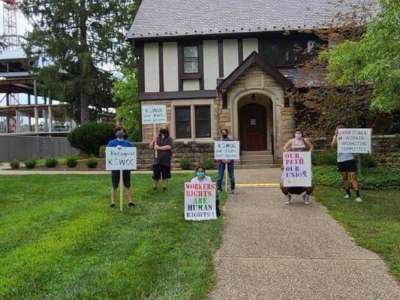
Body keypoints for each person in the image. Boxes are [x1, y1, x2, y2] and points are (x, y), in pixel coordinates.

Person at [331, 123, 363, 202]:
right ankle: (348, 194)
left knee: (353, 178)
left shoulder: (350, 137)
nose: (339, 130)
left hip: (350, 159)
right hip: (340, 161)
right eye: (337, 129)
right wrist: (335, 136)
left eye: (341, 129)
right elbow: (333, 146)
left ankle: (358, 196)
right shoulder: (336, 137)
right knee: (345, 178)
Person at [282, 129, 314, 205]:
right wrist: (288, 153)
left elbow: (311, 146)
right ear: (294, 134)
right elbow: (284, 147)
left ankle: (306, 195)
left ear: (302, 134)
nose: (298, 134)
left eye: (299, 133)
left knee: (308, 179)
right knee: (287, 179)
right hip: (294, 161)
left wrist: (309, 153)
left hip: (303, 161)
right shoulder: (292, 140)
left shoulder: (305, 140)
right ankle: (288, 196)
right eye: (296, 133)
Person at [107, 127, 135, 208]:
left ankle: (130, 201)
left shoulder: (128, 143)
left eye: (121, 131)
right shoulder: (111, 142)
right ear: (116, 133)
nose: (120, 132)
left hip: (126, 167)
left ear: (124, 133)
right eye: (118, 131)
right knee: (114, 185)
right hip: (115, 167)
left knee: (127, 185)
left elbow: (132, 153)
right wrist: (115, 149)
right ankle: (112, 202)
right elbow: (108, 152)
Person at [150, 127, 173, 192]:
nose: (162, 132)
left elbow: (169, 147)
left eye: (164, 130)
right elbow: (150, 146)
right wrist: (153, 140)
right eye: (161, 130)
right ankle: (154, 188)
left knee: (165, 176)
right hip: (157, 161)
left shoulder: (169, 139)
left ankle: (164, 188)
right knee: (155, 175)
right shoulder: (157, 139)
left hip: (166, 161)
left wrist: (159, 148)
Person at [216, 128, 236, 193]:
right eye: (222, 133)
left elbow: (234, 151)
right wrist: (222, 159)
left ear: (227, 133)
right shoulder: (219, 142)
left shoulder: (231, 142)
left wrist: (230, 159)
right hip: (221, 162)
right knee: (220, 176)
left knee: (232, 176)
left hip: (230, 161)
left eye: (225, 132)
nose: (223, 134)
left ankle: (232, 189)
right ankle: (219, 188)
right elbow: (218, 152)